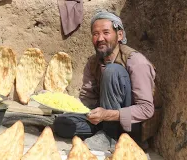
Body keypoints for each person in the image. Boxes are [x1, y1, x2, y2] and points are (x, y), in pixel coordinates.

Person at [53, 10, 156, 151]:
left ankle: (110, 137)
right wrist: (67, 106)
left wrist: (107, 115)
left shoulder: (136, 62)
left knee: (112, 70)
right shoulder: (93, 62)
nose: (100, 38)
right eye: (95, 34)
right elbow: (87, 99)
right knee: (61, 124)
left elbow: (146, 109)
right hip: (104, 120)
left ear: (119, 35)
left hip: (131, 126)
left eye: (106, 33)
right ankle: (103, 135)